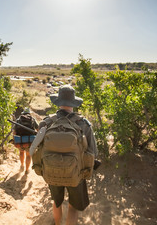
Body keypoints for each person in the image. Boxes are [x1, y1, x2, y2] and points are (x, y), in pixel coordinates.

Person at [37, 85, 98, 225]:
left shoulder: (46, 122)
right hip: (76, 173)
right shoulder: (84, 124)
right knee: (73, 207)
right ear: (74, 103)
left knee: (57, 203)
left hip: (51, 171)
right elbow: (94, 153)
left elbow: (38, 148)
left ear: (58, 102)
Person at [13, 107, 39, 174]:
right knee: (28, 155)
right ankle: (27, 170)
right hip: (29, 141)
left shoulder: (19, 120)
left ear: (23, 113)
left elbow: (14, 132)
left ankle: (22, 165)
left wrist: (14, 140)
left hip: (20, 140)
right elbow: (38, 130)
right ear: (29, 113)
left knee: (21, 152)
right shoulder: (32, 119)